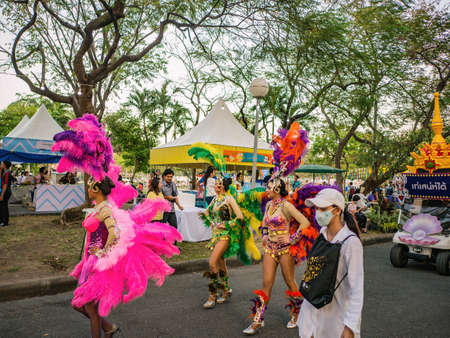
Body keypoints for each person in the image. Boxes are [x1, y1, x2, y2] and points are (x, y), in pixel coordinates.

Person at [243, 178, 311, 335]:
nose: (266, 190)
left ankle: (297, 313)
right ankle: (257, 320)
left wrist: (292, 238)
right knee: (266, 283)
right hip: (270, 249)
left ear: (278, 190)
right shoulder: (268, 205)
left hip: (285, 250)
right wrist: (265, 236)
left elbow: (305, 222)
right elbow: (264, 224)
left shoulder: (286, 205)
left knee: (289, 282)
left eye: (269, 187)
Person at [298, 188, 364, 338]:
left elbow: (357, 289)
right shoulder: (322, 233)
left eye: (323, 209)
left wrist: (350, 327)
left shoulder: (351, 243)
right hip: (310, 313)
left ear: (337, 210)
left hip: (335, 320)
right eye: (316, 208)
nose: (318, 213)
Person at [199, 177, 244, 309]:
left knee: (212, 262)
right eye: (215, 185)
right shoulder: (215, 199)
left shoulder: (229, 199)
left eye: (219, 185)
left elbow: (240, 217)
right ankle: (226, 289)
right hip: (215, 236)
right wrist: (211, 222)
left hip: (225, 236)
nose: (216, 187)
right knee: (221, 264)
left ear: (224, 187)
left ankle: (212, 295)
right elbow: (206, 212)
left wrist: (226, 224)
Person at [0, 160, 13, 227]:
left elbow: (5, 184)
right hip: (5, 191)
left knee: (3, 206)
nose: (1, 165)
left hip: (6, 191)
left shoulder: (7, 173)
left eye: (2, 164)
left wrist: (2, 194)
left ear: (5, 165)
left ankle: (5, 222)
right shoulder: (4, 172)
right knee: (3, 206)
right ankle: (3, 221)